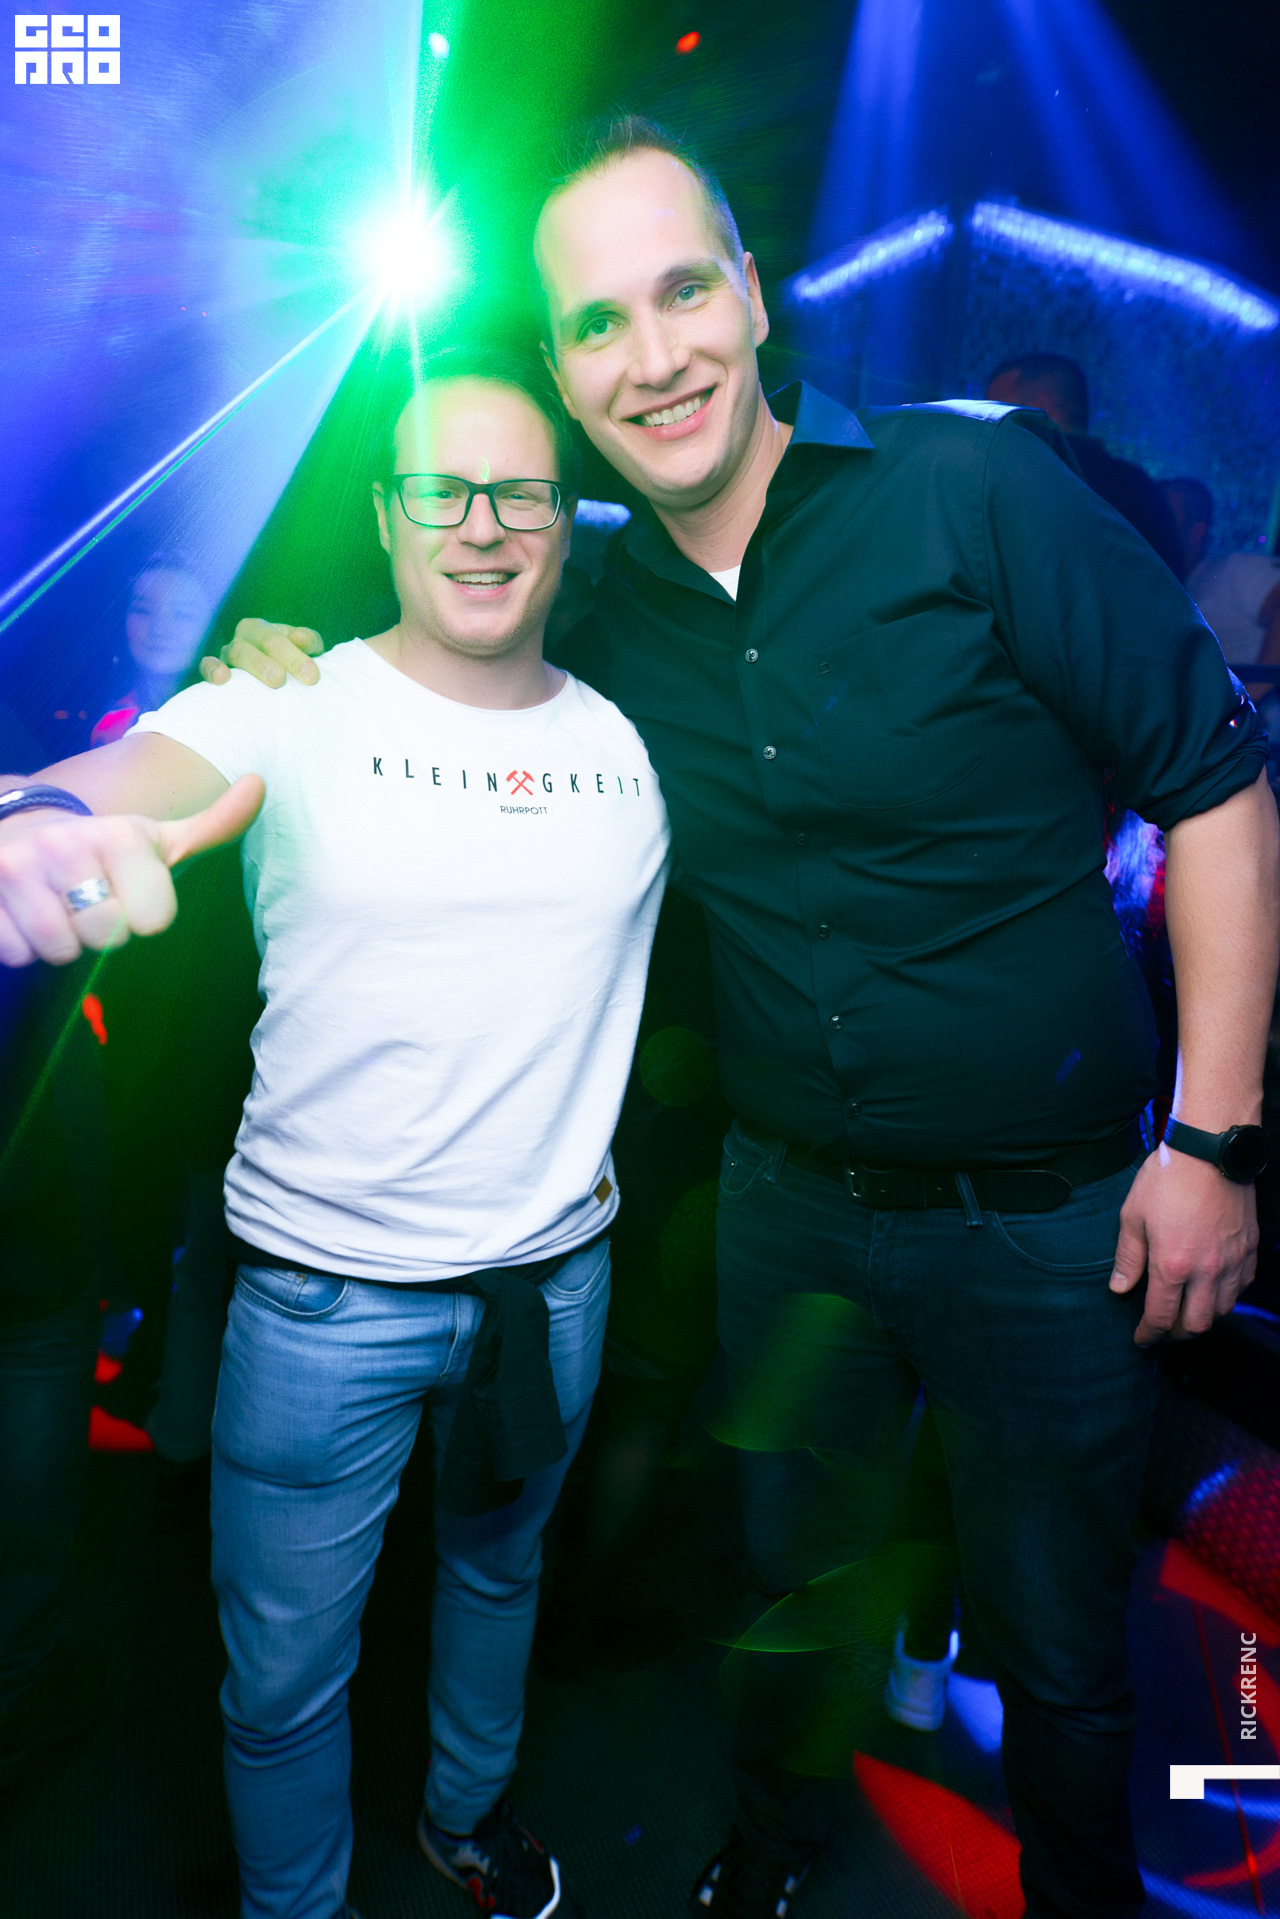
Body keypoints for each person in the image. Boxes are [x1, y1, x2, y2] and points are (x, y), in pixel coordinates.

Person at [205, 117, 1277, 1919]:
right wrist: (279, 662)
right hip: (791, 1215)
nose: (654, 352)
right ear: (567, 373)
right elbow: (450, 622)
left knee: (1059, 1642)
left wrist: (1213, 1138)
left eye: (683, 290)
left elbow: (1219, 788)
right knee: (788, 1591)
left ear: (755, 299)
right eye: (598, 322)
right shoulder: (602, 598)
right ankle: (767, 1863)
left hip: (1054, 1221)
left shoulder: (973, 489)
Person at [0, 342, 671, 1919]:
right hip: (323, 1300)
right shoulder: (283, 700)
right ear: (385, 512)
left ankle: (464, 1816)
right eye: (441, 487)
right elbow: (141, 771)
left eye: (520, 491)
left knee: (499, 1579)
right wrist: (42, 817)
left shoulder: (632, 736)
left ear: (567, 516)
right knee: (285, 1665)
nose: (482, 523)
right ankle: (293, 1904)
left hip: (552, 1284)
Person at [985, 353, 1185, 578]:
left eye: (997, 413)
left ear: (1042, 407)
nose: (990, 428)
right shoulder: (1141, 487)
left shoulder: (1029, 479)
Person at [89, 551, 213, 745]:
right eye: (143, 610)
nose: (160, 629)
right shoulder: (110, 729)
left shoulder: (236, 710)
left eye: (183, 614)